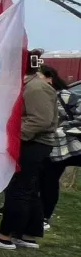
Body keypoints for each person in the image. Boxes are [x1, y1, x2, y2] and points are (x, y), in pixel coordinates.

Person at [0, 55, 58, 250]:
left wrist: (14, 136)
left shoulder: (35, 88)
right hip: (33, 143)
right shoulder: (31, 86)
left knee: (18, 189)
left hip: (32, 143)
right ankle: (27, 235)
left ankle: (4, 236)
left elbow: (41, 120)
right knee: (29, 190)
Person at [42, 65, 81, 226]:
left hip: (71, 145)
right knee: (48, 180)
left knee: (48, 180)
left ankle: (44, 215)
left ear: (50, 78)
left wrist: (62, 130)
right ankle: (44, 215)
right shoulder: (39, 95)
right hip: (54, 148)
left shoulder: (64, 95)